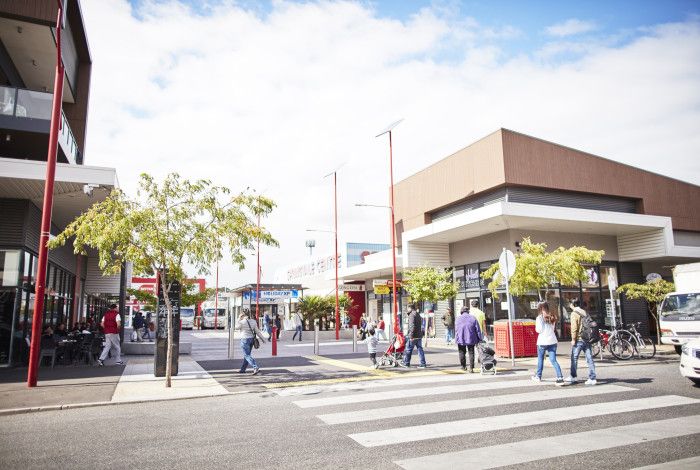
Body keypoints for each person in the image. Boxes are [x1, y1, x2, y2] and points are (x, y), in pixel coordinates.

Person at [565, 299, 597, 385]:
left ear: (573, 304)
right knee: (589, 358)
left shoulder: (574, 313)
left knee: (574, 358)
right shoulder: (584, 312)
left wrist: (573, 339)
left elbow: (574, 328)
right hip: (587, 338)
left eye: (570, 304)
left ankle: (573, 376)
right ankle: (592, 378)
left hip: (579, 339)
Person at [532, 302, 564, 385]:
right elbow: (553, 328)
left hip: (542, 342)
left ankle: (538, 376)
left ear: (541, 309)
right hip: (552, 341)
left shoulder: (539, 318)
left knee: (540, 359)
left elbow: (539, 330)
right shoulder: (552, 316)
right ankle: (560, 377)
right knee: (553, 360)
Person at [236, 309, 266, 375]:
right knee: (247, 354)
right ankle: (243, 369)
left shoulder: (242, 322)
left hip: (244, 339)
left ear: (243, 315)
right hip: (252, 340)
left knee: (247, 355)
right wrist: (263, 339)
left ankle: (255, 367)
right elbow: (257, 332)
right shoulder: (253, 321)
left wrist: (238, 318)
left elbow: (236, 327)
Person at [455, 305, 482, 373]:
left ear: (461, 311)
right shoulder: (473, 318)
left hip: (461, 338)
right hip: (471, 338)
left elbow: (456, 329)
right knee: (471, 352)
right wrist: (479, 338)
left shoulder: (458, 318)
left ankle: (463, 366)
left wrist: (456, 338)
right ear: (468, 311)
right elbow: (478, 329)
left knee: (461, 352)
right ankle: (471, 368)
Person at [400, 304, 426, 368]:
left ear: (410, 308)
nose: (407, 310)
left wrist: (411, 336)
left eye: (407, 308)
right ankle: (423, 363)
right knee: (420, 349)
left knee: (408, 349)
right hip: (419, 335)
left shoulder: (411, 315)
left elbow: (412, 326)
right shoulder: (418, 314)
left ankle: (406, 363)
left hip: (413, 336)